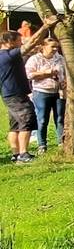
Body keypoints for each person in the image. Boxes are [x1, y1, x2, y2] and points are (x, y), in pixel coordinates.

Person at [0, 30, 38, 163]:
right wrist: (46, 26)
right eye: (18, 40)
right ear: (9, 42)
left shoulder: (2, 56)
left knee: (14, 125)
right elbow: (31, 43)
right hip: (16, 94)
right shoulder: (10, 55)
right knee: (26, 120)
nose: (21, 43)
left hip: (8, 94)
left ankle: (15, 154)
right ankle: (23, 154)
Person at [25, 38, 66, 153]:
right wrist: (46, 73)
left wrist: (65, 81)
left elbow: (65, 72)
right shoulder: (34, 59)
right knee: (42, 119)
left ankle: (61, 143)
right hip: (42, 91)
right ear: (43, 47)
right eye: (52, 47)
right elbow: (29, 74)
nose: (55, 49)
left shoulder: (59, 58)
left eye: (56, 47)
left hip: (58, 92)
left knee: (60, 118)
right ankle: (42, 145)